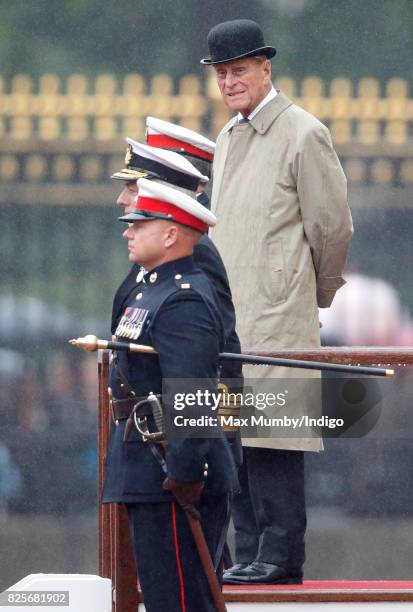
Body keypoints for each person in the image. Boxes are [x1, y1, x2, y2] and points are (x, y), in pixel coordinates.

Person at [201, 19, 353, 584]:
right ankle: (247, 554)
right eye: (222, 73)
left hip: (276, 310)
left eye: (239, 70)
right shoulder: (227, 138)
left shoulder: (303, 133)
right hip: (230, 314)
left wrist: (310, 293)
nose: (230, 82)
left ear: (266, 68)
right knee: (236, 436)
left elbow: (333, 228)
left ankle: (281, 554)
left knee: (276, 437)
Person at [102, 178, 238, 612]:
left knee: (180, 602)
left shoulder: (183, 300)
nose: (128, 231)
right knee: (166, 599)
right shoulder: (151, 288)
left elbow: (192, 392)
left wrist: (184, 473)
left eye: (139, 224)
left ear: (170, 233)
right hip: (149, 469)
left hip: (172, 476)